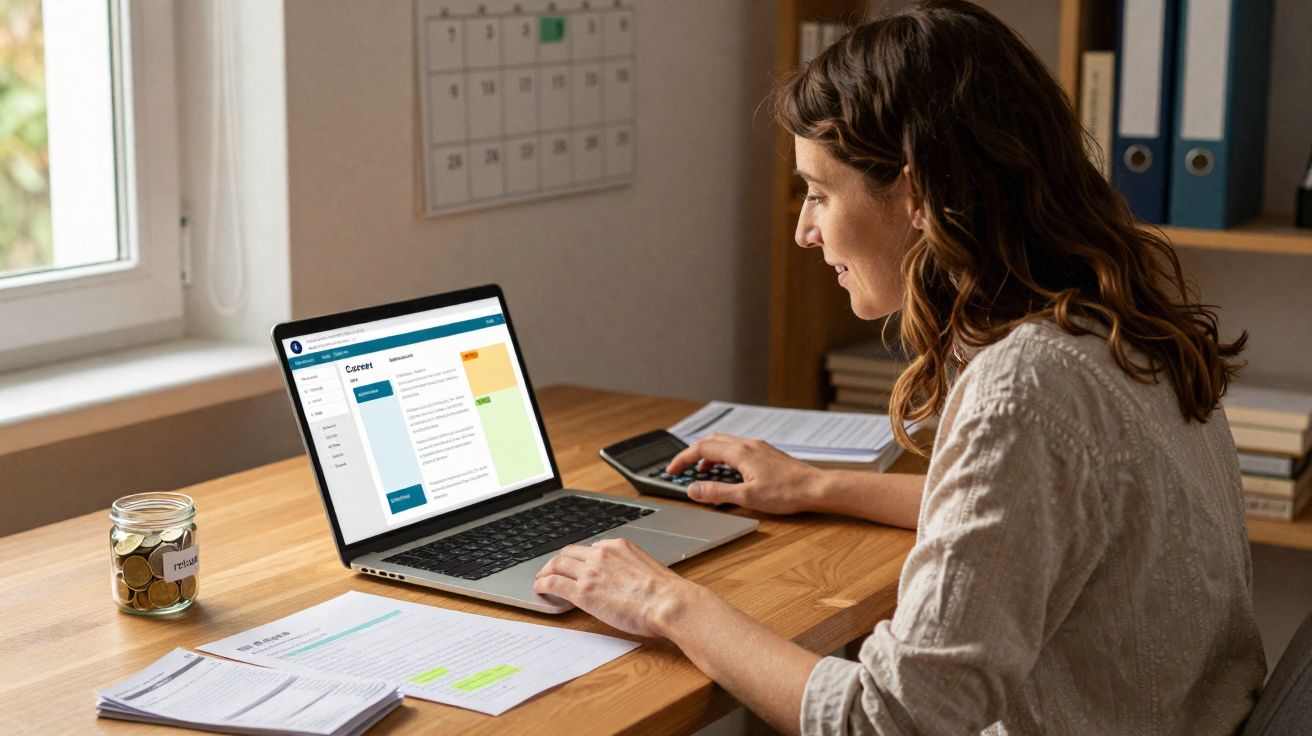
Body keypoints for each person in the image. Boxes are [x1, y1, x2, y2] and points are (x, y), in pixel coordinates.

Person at [535, 1, 1267, 733]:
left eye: (819, 194)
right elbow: (1046, 521)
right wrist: (814, 485)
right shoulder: (1113, 322)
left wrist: (665, 602)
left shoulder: (1026, 385)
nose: (804, 232)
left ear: (917, 194)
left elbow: (889, 720)